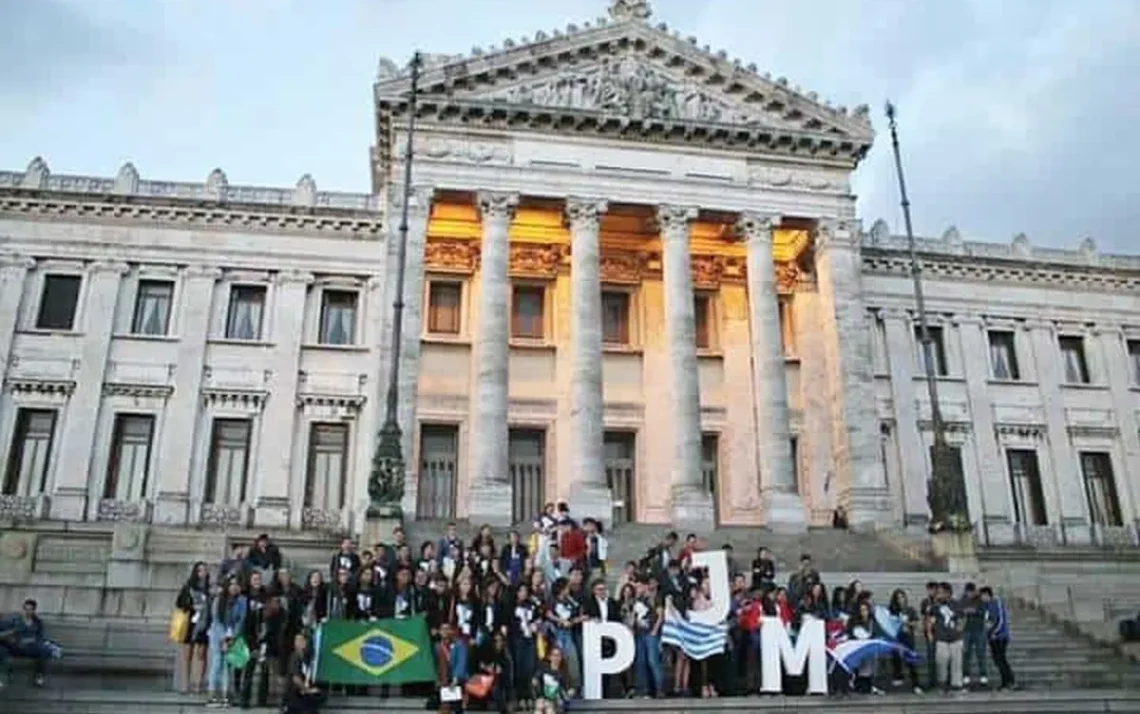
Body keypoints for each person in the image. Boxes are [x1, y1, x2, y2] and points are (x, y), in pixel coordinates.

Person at [206, 577, 248, 708]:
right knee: (217, 663)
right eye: (231, 584)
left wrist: (232, 638)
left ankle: (225, 695)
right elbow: (216, 620)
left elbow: (241, 621)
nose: (234, 587)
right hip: (217, 634)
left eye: (236, 584)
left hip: (232, 635)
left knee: (227, 665)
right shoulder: (219, 600)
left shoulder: (242, 601)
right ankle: (212, 696)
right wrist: (223, 639)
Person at [174, 561, 211, 694]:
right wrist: (192, 606)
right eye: (200, 570)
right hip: (190, 622)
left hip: (204, 624)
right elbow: (179, 603)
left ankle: (199, 683)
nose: (203, 573)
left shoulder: (209, 589)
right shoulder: (188, 587)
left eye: (205, 570)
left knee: (202, 654)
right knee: (187, 655)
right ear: (196, 572)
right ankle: (186, 683)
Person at [0, 598, 52, 688]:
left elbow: (41, 637)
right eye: (26, 609)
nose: (27, 612)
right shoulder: (15, 620)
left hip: (30, 648)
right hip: (16, 646)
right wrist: (12, 634)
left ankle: (39, 677)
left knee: (44, 650)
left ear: (34, 610)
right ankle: (2, 678)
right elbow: (5, 631)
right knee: (2, 650)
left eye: (30, 609)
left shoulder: (38, 623)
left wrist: (33, 641)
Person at [980, 587, 1016, 691]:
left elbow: (999, 620)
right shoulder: (986, 606)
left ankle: (1010, 681)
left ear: (987, 594)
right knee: (998, 661)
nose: (982, 598)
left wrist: (994, 632)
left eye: (983, 595)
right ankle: (1005, 682)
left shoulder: (996, 603)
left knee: (1001, 660)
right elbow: (988, 621)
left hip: (1000, 637)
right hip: (992, 638)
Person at [284, 632, 325, 714]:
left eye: (301, 640)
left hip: (303, 694)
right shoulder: (295, 657)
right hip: (295, 695)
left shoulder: (306, 658)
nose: (299, 643)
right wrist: (307, 690)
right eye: (297, 640)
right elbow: (296, 678)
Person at [533, 646, 570, 714]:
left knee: (549, 710)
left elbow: (565, 692)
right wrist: (540, 698)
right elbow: (535, 681)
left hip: (558, 700)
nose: (556, 658)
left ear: (561, 657)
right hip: (544, 699)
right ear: (550, 657)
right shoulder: (544, 668)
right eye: (554, 655)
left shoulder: (563, 673)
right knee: (538, 710)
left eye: (558, 655)